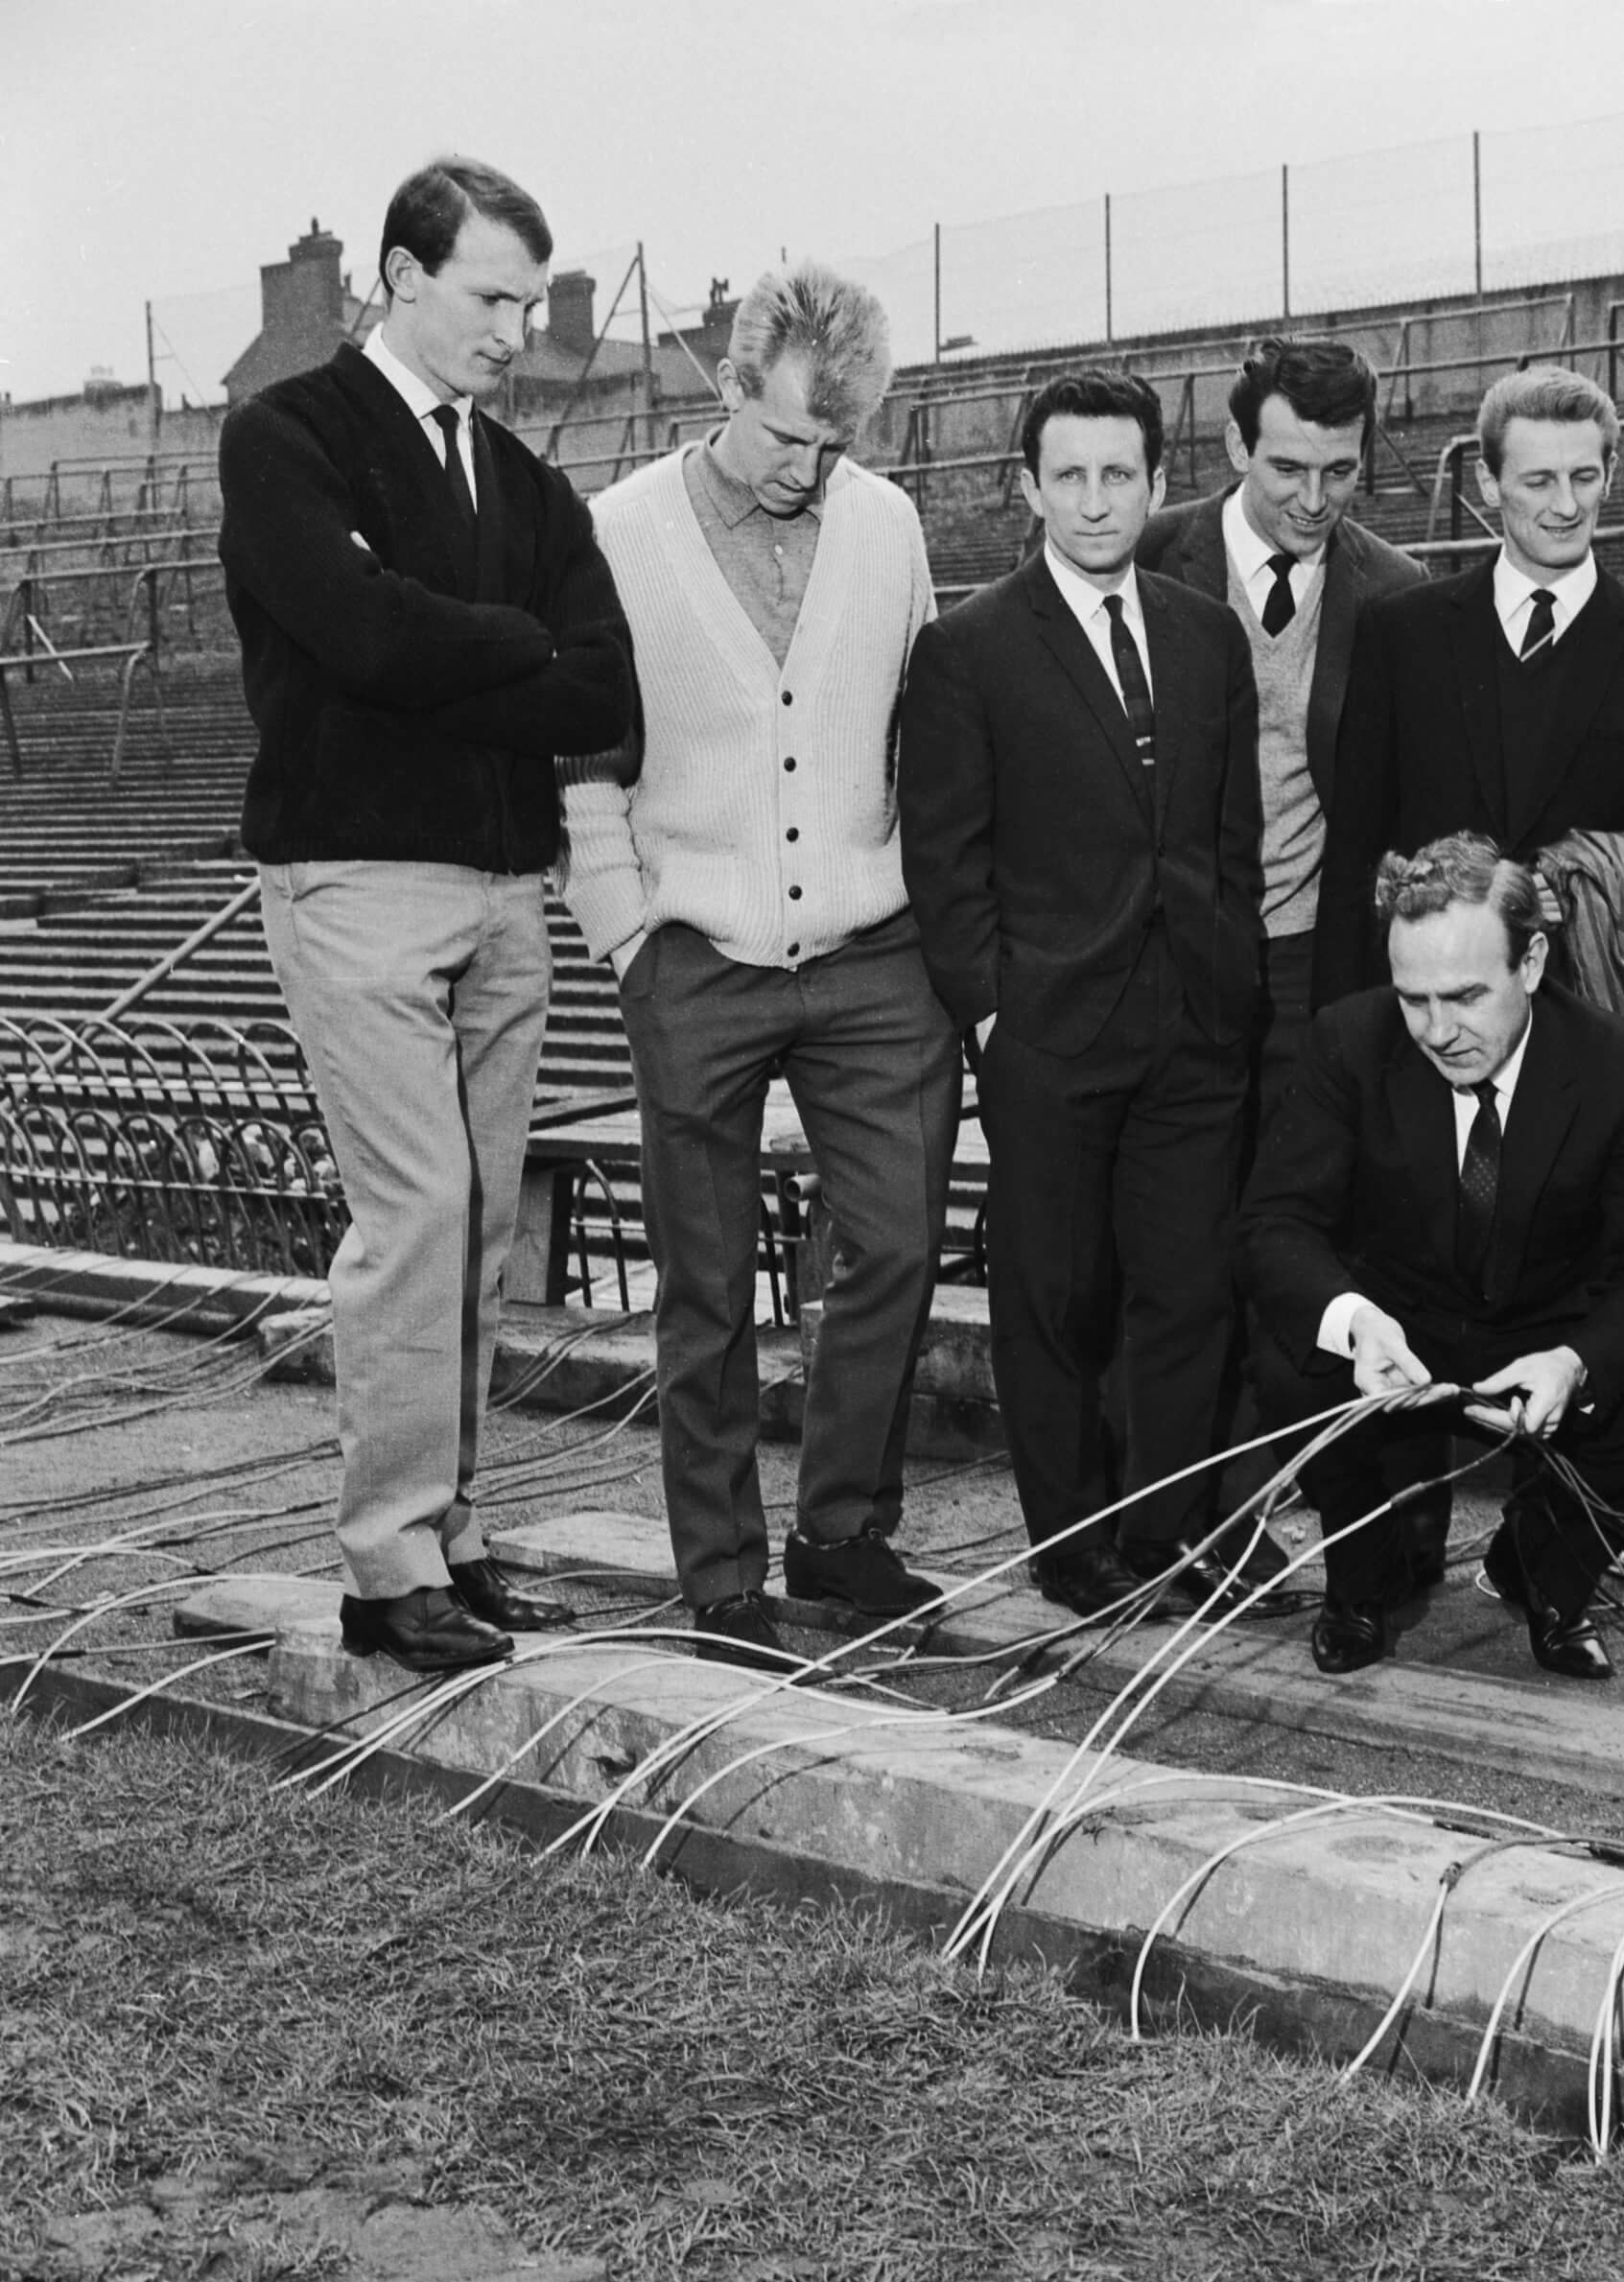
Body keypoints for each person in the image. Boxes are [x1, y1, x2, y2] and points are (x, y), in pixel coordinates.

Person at [218, 156, 631, 1676]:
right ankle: (385, 1569)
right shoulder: (286, 436)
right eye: (490, 297)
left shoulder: (524, 481)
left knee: (474, 1229)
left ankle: (450, 1536)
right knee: (415, 1217)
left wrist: (466, 648)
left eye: (531, 299)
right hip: (356, 880)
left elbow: (605, 686)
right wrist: (513, 648)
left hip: (505, 884)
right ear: (400, 276)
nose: (517, 330)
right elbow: (355, 635)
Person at [558, 262, 957, 1667]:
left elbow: (923, 729)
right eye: (786, 436)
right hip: (699, 956)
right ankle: (721, 1570)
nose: (808, 468)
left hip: (872, 950)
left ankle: (841, 1534)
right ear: (727, 386)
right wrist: (626, 936)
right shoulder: (615, 534)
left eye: (836, 445)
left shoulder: (889, 524)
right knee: (706, 1282)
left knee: (899, 1244)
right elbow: (582, 757)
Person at [898, 369, 1266, 1621]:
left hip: (1194, 1022)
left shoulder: (1206, 631)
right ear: (1029, 487)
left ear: (1160, 482)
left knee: (1188, 1288)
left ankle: (1163, 1535)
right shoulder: (969, 647)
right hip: (1050, 1027)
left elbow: (1230, 831)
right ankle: (1073, 1545)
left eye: (1120, 475)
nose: (1097, 500)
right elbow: (944, 857)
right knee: (1056, 1296)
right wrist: (992, 1014)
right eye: (1070, 475)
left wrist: (1231, 981)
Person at [1242, 835, 1624, 1681]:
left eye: (1465, 996)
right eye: (1413, 999)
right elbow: (1274, 1224)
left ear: (1532, 962)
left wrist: (1576, 1361)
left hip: (1546, 1345)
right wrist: (1354, 1325)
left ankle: (1540, 1567)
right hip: (1398, 1343)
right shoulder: (1348, 1042)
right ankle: (1360, 1580)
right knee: (1288, 1358)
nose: (1437, 1030)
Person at [1314, 365, 1624, 1005]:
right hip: (1425, 1011)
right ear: (1488, 482)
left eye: (1584, 477)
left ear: (1610, 475)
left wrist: (1583, 884)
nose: (1566, 506)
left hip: (1594, 1020)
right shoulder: (1400, 635)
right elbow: (1353, 854)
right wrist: (1340, 1036)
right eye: (1539, 481)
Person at [1135, 339, 1424, 1128]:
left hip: (1314, 956)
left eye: (1340, 472)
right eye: (1288, 469)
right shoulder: (1145, 558)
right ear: (1237, 447)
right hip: (1173, 946)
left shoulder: (1396, 589)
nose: (1314, 499)